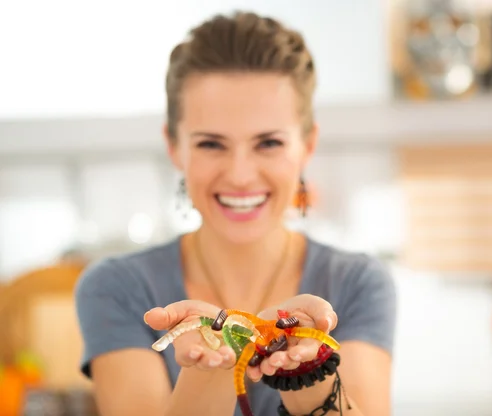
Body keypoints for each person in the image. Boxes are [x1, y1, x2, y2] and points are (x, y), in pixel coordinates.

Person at [75, 10, 397, 416]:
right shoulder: (116, 288)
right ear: (174, 146)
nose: (241, 175)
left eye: (268, 143)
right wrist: (208, 369)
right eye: (211, 144)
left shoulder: (357, 283)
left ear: (307, 146)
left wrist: (308, 372)